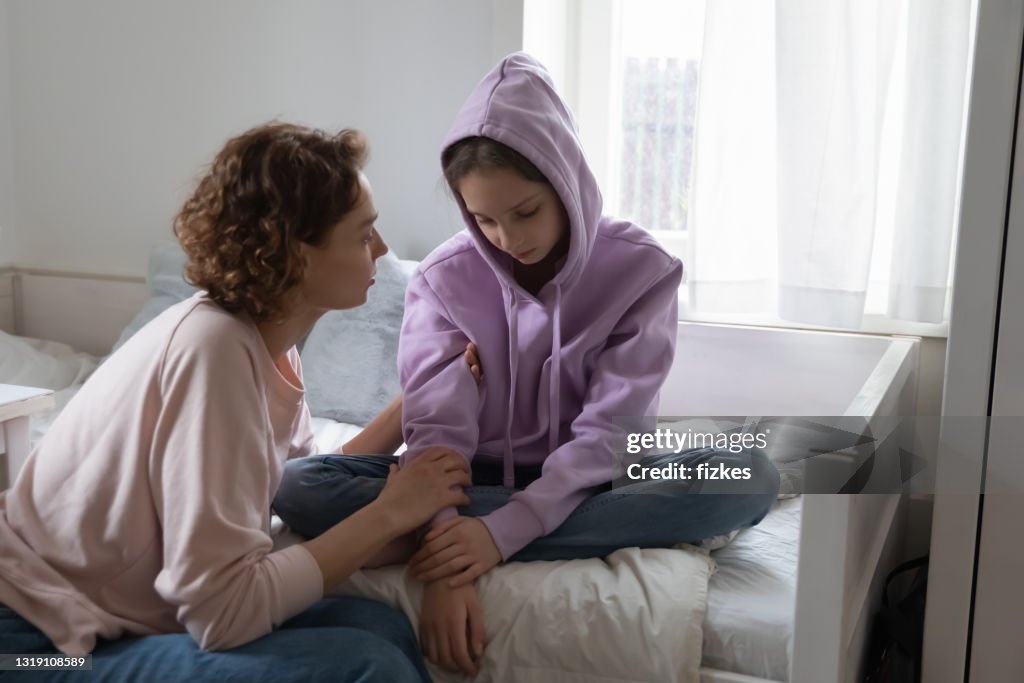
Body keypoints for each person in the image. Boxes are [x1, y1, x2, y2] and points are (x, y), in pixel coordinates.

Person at [273, 53, 780, 677]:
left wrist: (496, 535)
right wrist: (447, 536)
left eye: (525, 212)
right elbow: (436, 432)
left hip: (597, 476)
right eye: (483, 219)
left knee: (749, 471)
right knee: (300, 485)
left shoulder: (641, 270)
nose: (508, 239)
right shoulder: (442, 279)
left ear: (565, 181)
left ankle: (414, 541)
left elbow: (607, 434)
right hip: (463, 477)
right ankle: (440, 535)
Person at [0, 122, 473, 682]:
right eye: (362, 232)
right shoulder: (214, 351)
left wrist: (421, 399)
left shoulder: (266, 349)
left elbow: (300, 487)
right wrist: (389, 513)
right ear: (298, 253)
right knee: (363, 666)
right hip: (35, 643)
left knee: (383, 626)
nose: (382, 248)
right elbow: (222, 615)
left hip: (116, 619)